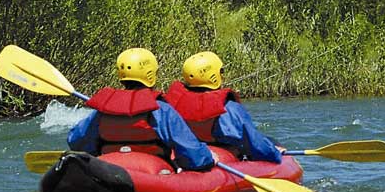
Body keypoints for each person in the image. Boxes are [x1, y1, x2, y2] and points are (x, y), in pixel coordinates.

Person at [67, 48, 214, 171]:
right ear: (150, 74)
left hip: (107, 167)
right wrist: (208, 157)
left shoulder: (105, 110)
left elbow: (76, 140)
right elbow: (192, 154)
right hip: (151, 173)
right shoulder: (161, 110)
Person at [163, 51, 283, 163]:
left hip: (188, 153)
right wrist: (274, 153)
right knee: (271, 141)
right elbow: (254, 143)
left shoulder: (172, 104)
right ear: (213, 76)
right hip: (224, 155)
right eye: (221, 71)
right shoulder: (229, 108)